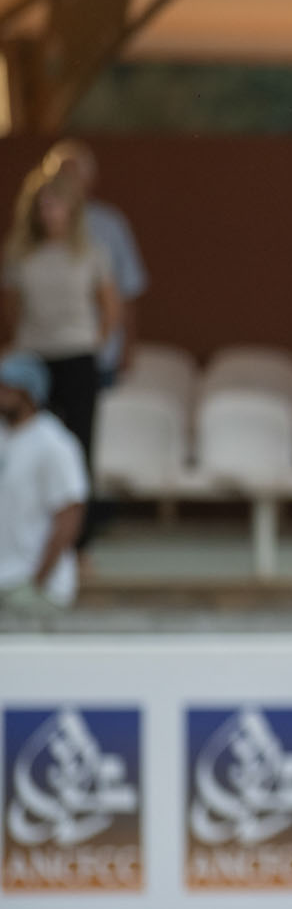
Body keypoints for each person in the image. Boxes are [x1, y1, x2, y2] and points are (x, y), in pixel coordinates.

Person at [2, 165, 118, 537]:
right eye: (42, 206)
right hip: (33, 360)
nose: (48, 213)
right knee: (28, 443)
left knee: (78, 446)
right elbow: (11, 308)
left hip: (77, 357)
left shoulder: (91, 253)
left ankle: (78, 542)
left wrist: (91, 342)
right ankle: (30, 532)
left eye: (55, 206)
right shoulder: (19, 254)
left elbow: (110, 307)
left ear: (71, 210)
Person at [40, 141, 147, 386]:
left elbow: (126, 293)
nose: (67, 183)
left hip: (95, 354)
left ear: (90, 179)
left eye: (73, 175)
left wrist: (125, 348)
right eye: (60, 176)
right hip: (46, 351)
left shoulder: (109, 226)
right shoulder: (35, 232)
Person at [0, 352, 88, 616]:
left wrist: (37, 582)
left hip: (36, 587)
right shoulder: (4, 436)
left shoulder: (54, 444)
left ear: (28, 393)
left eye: (6, 387)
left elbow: (69, 515)